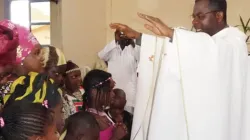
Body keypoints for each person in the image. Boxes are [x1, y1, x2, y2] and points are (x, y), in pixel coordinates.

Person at [110, 0, 248, 140]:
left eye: (200, 16)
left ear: (219, 15)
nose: (194, 22)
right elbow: (177, 48)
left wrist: (172, 34)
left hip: (219, 126)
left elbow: (212, 50)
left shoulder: (234, 43)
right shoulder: (201, 43)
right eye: (193, 16)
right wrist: (138, 37)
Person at [98, 30, 140, 114]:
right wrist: (115, 41)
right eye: (121, 35)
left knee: (128, 115)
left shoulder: (133, 48)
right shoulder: (112, 48)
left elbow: (141, 58)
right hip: (114, 89)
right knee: (112, 113)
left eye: (125, 35)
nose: (123, 37)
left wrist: (133, 43)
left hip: (129, 90)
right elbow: (101, 55)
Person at [82, 69, 127, 140]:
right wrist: (115, 137)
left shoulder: (102, 114)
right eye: (109, 90)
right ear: (94, 92)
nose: (113, 94)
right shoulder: (90, 121)